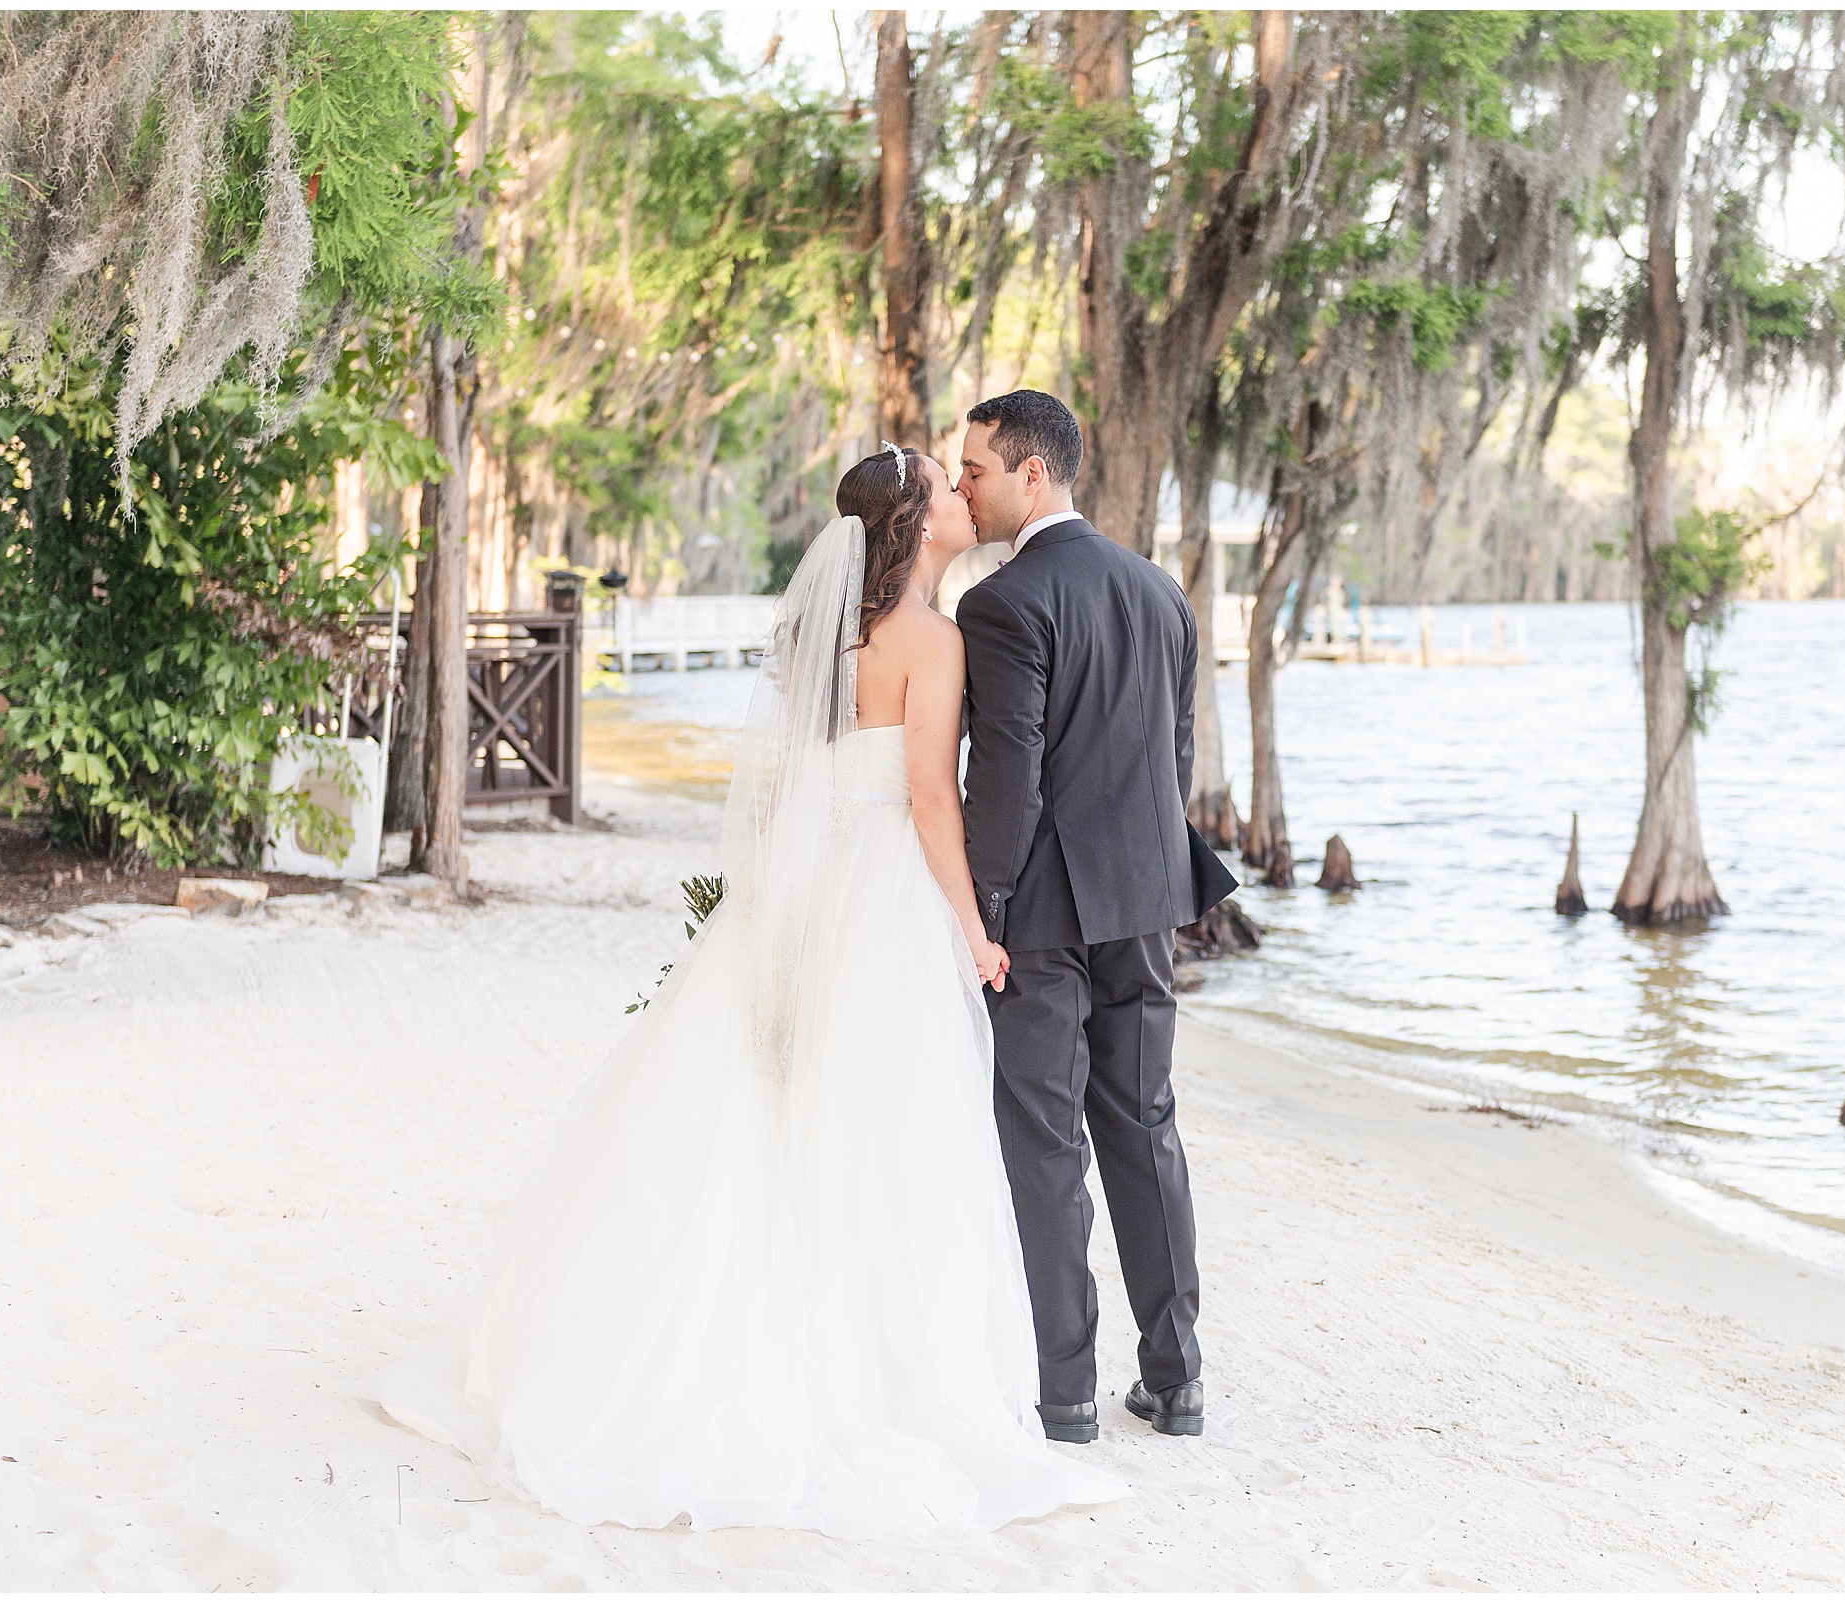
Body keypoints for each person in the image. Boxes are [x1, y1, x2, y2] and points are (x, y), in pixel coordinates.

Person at [376, 445, 1126, 1542]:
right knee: (883, 1128)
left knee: (760, 1106)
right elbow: (927, 799)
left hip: (803, 886)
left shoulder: (820, 635)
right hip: (882, 892)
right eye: (947, 486)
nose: (966, 497)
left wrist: (768, 900)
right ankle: (864, 1355)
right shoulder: (934, 639)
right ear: (917, 527)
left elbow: (791, 784)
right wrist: (973, 928)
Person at [952, 390, 1239, 1443]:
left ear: (1035, 472)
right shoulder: (1164, 594)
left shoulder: (1002, 603)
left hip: (1042, 915)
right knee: (1147, 1125)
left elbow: (1010, 781)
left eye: (976, 467)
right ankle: (1177, 1377)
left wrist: (980, 913)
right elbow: (1173, 760)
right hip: (1148, 903)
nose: (965, 487)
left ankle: (1067, 1389)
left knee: (1042, 1142)